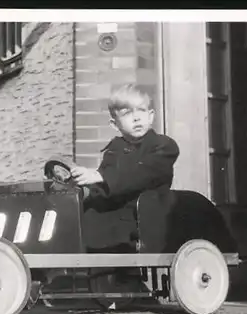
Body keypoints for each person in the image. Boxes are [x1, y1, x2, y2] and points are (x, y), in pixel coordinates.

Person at [71, 84, 180, 253]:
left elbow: (143, 174)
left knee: (100, 230)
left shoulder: (163, 145)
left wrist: (101, 177)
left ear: (151, 116)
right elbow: (104, 187)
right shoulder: (114, 150)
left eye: (141, 111)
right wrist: (85, 189)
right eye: (127, 113)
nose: (136, 118)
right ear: (115, 124)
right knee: (81, 218)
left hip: (147, 215)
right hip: (118, 215)